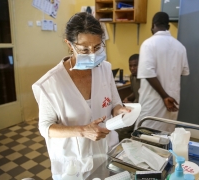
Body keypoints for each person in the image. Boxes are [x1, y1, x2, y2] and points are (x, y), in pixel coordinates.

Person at [32, 12, 130, 180]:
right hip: (72, 165)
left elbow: (114, 103)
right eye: (84, 49)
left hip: (104, 155)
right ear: (69, 44)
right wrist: (83, 131)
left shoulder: (105, 69)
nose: (92, 54)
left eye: (97, 47)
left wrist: (121, 111)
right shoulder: (50, 84)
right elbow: (46, 128)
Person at [135, 12, 190, 132]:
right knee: (166, 136)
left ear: (153, 25)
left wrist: (165, 96)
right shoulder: (180, 47)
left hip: (154, 101)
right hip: (173, 101)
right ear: (168, 27)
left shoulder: (148, 44)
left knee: (145, 136)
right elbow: (183, 72)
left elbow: (148, 74)